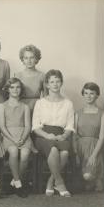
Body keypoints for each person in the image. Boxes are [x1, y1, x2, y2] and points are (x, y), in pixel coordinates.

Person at [32, 69, 74, 197]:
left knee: (65, 151)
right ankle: (60, 182)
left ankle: (51, 181)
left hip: (61, 135)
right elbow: (35, 127)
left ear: (61, 83)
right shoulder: (40, 103)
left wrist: (64, 135)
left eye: (57, 81)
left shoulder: (68, 103)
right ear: (47, 85)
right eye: (52, 82)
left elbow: (69, 126)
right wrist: (47, 135)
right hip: (43, 136)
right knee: (54, 150)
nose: (55, 84)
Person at [0, 78, 34, 197]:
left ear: (21, 89)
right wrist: (13, 139)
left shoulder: (25, 107)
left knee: (24, 155)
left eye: (18, 87)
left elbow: (28, 126)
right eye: (12, 87)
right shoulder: (2, 106)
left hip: (23, 135)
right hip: (8, 135)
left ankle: (14, 181)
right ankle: (18, 184)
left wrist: (23, 139)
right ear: (7, 89)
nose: (15, 90)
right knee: (13, 151)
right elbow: (2, 127)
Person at [73, 82, 104, 191]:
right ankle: (91, 181)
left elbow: (102, 137)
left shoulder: (103, 114)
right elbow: (74, 135)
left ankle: (95, 179)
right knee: (82, 179)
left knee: (87, 176)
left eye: (92, 93)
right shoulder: (77, 113)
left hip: (94, 147)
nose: (88, 96)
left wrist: (93, 155)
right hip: (80, 147)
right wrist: (75, 153)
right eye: (86, 93)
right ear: (83, 94)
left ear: (97, 95)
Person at [14, 44, 46, 113]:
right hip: (21, 108)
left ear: (36, 59)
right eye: (26, 58)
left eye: (32, 57)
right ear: (22, 60)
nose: (29, 61)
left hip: (37, 108)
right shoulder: (17, 75)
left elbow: (46, 97)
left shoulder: (42, 75)